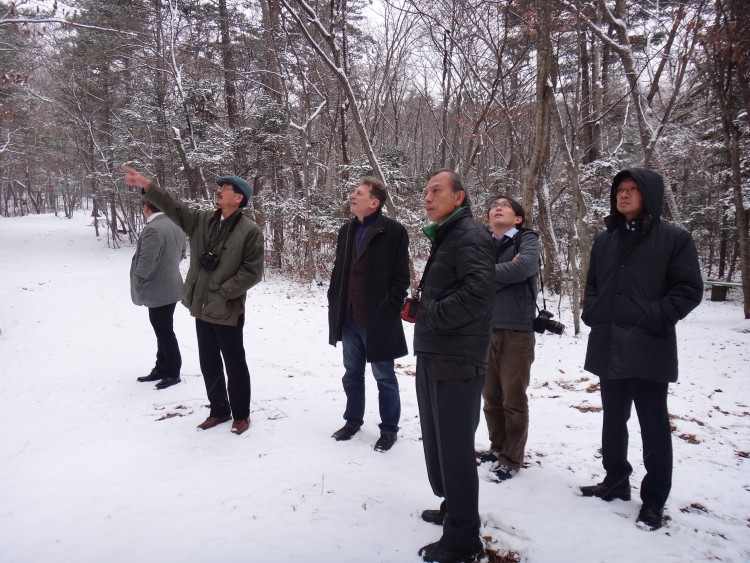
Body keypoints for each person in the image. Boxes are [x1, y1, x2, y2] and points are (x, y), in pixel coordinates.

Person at [579, 168, 702, 531]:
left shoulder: (674, 238)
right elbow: (594, 285)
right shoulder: (606, 239)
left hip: (649, 345)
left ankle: (653, 501)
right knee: (613, 420)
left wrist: (653, 316)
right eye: (620, 189)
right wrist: (594, 313)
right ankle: (615, 481)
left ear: (649, 195)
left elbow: (688, 290)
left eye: (633, 189)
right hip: (608, 342)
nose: (624, 195)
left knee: (653, 426)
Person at [122, 165, 264, 436]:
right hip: (201, 308)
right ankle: (219, 410)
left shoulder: (250, 231)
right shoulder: (201, 220)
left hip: (227, 309)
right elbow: (173, 207)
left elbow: (252, 271)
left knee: (234, 363)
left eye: (226, 188)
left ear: (240, 198)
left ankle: (241, 415)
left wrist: (224, 291)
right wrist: (148, 186)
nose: (219, 190)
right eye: (219, 187)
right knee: (208, 362)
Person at [414, 170, 494, 563]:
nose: (427, 197)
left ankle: (463, 540)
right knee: (438, 441)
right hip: (436, 353)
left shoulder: (471, 235)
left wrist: (430, 313)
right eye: (426, 191)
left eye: (437, 191)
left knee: (456, 448)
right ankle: (453, 510)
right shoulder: (447, 235)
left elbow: (478, 294)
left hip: (458, 359)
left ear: (459, 197)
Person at [328, 177, 410, 452]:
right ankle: (352, 421)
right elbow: (340, 271)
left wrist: (391, 308)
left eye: (358, 193)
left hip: (378, 319)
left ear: (374, 202)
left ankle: (389, 429)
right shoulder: (346, 231)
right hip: (348, 316)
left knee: (384, 377)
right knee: (351, 373)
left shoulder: (394, 232)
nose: (352, 195)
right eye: (353, 191)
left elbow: (401, 277)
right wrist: (333, 299)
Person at [477, 195, 539, 482]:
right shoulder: (482, 244)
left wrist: (486, 274)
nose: (497, 207)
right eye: (493, 206)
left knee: (513, 399)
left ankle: (512, 458)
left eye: (505, 205)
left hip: (516, 330)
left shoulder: (526, 240)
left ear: (517, 218)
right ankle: (496, 447)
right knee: (490, 398)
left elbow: (522, 268)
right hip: (485, 328)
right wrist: (501, 274)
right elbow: (469, 277)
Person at [131, 198, 187, 390]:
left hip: (158, 289)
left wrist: (139, 278)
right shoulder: (175, 225)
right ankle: (162, 367)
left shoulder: (153, 229)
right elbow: (181, 254)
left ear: (146, 208)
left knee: (164, 332)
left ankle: (172, 371)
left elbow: (146, 261)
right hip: (171, 285)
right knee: (162, 330)